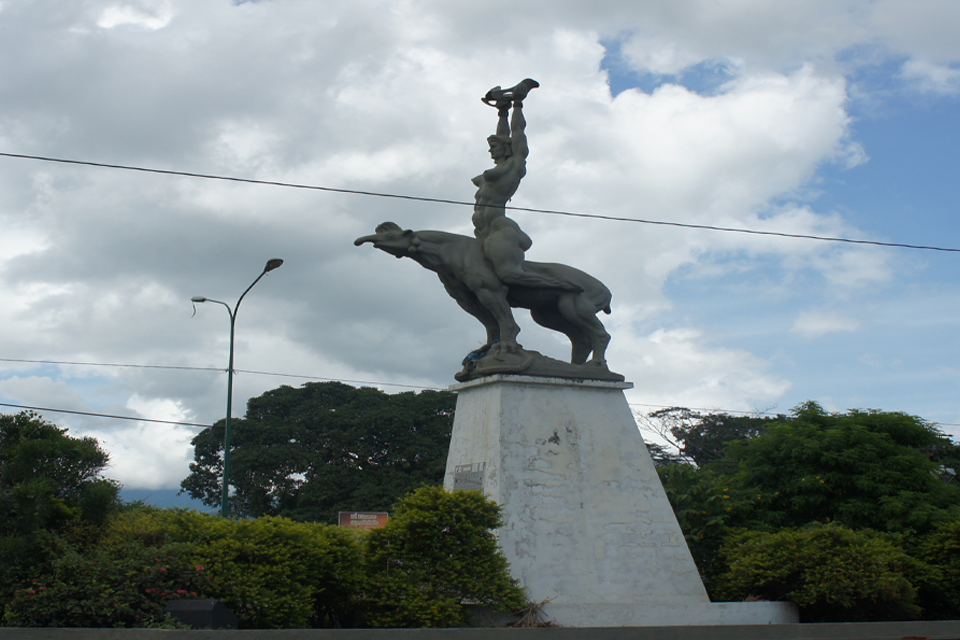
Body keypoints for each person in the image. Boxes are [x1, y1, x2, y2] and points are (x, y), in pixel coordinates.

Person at [472, 80, 580, 292]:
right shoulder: (501, 164)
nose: (490, 151)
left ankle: (561, 286)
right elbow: (503, 137)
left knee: (507, 275)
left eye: (494, 147)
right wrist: (502, 110)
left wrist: (518, 104)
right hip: (482, 233)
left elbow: (518, 132)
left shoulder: (514, 165)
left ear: (507, 149)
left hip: (499, 229)